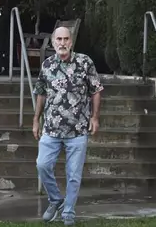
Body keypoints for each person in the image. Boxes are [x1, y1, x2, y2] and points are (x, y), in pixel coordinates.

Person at [32, 27, 103, 225]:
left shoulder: (84, 62)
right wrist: (36, 120)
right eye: (59, 39)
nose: (62, 43)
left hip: (78, 129)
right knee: (42, 165)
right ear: (53, 42)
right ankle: (56, 200)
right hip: (52, 129)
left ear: (71, 42)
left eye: (66, 39)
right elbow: (41, 93)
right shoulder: (47, 65)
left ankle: (69, 212)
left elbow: (96, 90)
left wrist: (95, 117)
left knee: (74, 175)